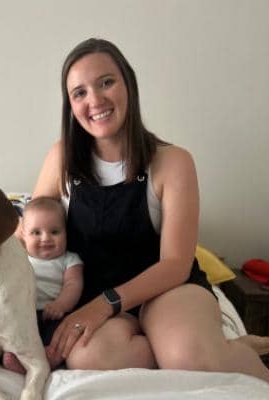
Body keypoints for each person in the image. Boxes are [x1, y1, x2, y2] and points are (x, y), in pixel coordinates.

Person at [23, 37, 269, 381]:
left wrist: (105, 304)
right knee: (87, 357)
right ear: (70, 105)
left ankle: (212, 349)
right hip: (94, 296)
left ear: (129, 84)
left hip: (166, 289)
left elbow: (175, 263)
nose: (95, 100)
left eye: (106, 82)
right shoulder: (62, 157)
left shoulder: (173, 161)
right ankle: (219, 345)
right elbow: (27, 234)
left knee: (187, 357)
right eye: (80, 93)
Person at [3, 196, 83, 373]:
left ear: (66, 233)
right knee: (13, 331)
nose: (46, 238)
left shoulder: (70, 260)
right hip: (24, 312)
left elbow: (73, 285)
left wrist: (61, 305)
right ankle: (17, 357)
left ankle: (51, 356)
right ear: (24, 235)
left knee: (60, 335)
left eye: (54, 232)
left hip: (54, 314)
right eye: (36, 233)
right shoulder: (19, 257)